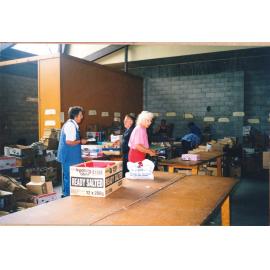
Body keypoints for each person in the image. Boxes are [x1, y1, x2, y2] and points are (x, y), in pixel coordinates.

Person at [57, 106, 87, 197]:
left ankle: (71, 195)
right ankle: (67, 196)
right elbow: (69, 142)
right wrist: (81, 141)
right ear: (76, 116)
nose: (82, 117)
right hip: (69, 157)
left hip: (72, 156)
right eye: (81, 115)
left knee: (73, 177)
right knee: (69, 177)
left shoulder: (73, 125)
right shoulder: (70, 125)